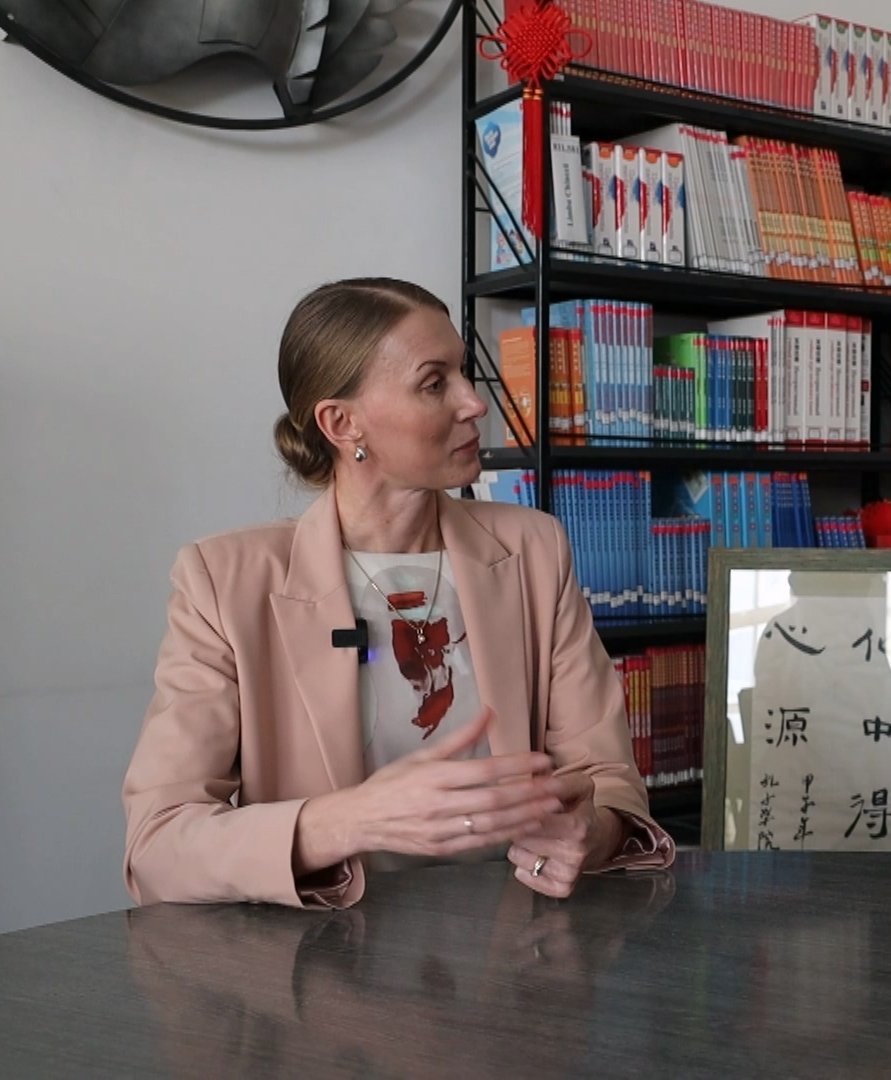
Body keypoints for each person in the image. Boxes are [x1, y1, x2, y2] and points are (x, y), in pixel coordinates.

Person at [123, 277, 672, 908]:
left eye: (463, 374)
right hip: (324, 954)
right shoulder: (223, 581)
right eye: (434, 383)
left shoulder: (534, 550)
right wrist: (352, 820)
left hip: (517, 941)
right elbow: (157, 846)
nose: (474, 403)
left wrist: (591, 833)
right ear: (342, 423)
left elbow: (608, 782)